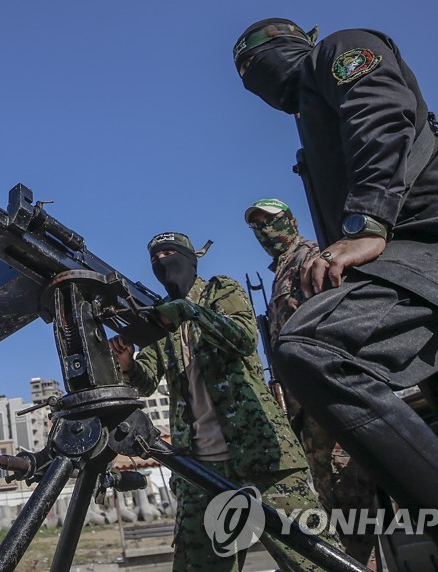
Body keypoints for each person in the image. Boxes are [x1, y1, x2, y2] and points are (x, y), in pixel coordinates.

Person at [234, 19, 438, 571]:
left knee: (311, 345)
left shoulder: (340, 51)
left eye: (252, 64)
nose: (253, 80)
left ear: (284, 47)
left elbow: (379, 108)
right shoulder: (310, 130)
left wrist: (367, 221)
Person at [109, 231, 337, 572]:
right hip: (198, 469)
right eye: (155, 257)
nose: (162, 262)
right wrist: (126, 363)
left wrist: (189, 312)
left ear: (189, 258)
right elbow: (145, 381)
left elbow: (243, 339)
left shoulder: (221, 290)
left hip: (262, 457)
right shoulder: (161, 321)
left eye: (169, 253)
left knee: (312, 558)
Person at [245, 197, 379, 568]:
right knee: (331, 508)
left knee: (353, 511)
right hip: (305, 405)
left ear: (289, 220)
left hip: (330, 396)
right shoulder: (280, 272)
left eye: (269, 222)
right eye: (256, 226)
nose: (264, 232)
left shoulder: (312, 257)